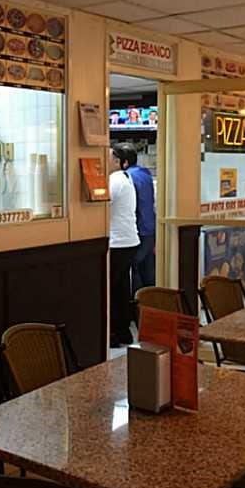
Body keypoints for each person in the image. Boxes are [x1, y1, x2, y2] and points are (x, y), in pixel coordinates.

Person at [114, 142, 156, 295]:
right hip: (149, 229)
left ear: (124, 162)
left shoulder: (126, 178)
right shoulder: (145, 174)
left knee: (134, 272)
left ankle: (136, 306)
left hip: (137, 231)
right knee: (148, 274)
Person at [109, 143, 140, 347]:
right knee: (121, 288)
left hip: (118, 242)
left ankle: (113, 333)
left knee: (112, 290)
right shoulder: (126, 179)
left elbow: (101, 202)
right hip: (129, 240)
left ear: (121, 162)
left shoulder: (115, 180)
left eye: (110, 158)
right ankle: (123, 332)